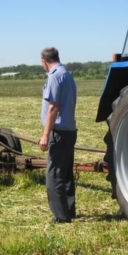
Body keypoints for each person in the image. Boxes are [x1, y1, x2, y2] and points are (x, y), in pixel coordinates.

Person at [38, 47, 77, 223]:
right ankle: (69, 210)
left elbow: (53, 107)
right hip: (70, 131)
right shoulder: (67, 75)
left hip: (59, 132)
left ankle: (61, 216)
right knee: (66, 172)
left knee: (53, 174)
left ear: (44, 62)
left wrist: (45, 134)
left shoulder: (54, 76)